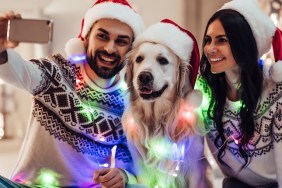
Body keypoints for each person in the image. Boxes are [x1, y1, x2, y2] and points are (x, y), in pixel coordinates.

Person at [0, 0, 144, 187]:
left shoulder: (129, 104)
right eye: (102, 36)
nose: (110, 48)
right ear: (85, 39)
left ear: (131, 49)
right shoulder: (55, 72)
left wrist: (122, 176)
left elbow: (133, 170)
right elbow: (16, 71)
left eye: (121, 41)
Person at [195, 0, 282, 187]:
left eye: (222, 40)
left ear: (244, 44)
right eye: (208, 40)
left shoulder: (276, 93)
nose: (210, 49)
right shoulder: (204, 90)